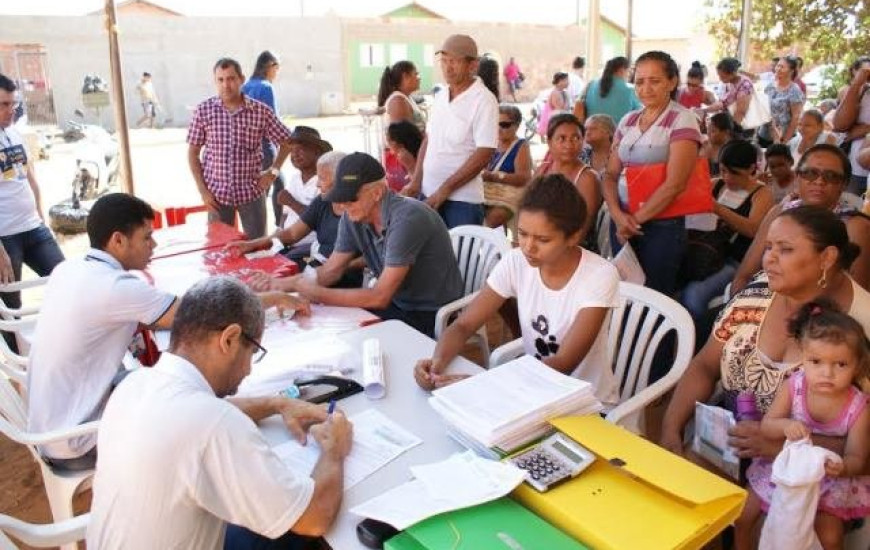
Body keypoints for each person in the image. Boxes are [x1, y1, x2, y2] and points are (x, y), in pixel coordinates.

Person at [26, 193, 307, 471]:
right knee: (190, 402)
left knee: (165, 383)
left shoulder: (71, 268)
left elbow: (164, 314)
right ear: (118, 240)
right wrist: (276, 297)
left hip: (52, 422)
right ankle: (272, 408)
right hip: (77, 439)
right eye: (146, 237)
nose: (154, 244)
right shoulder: (114, 287)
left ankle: (266, 406)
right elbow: (202, 312)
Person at [86, 276, 351, 550]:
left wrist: (277, 404)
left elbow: (198, 414)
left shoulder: (136, 384)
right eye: (253, 351)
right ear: (229, 339)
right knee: (304, 534)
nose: (249, 370)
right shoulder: (214, 424)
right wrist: (334, 449)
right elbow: (314, 518)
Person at [661, 206, 870, 464]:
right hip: (727, 450)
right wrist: (671, 426)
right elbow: (705, 366)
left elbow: (861, 450)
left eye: (785, 249)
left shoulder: (863, 324)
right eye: (769, 247)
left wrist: (786, 446)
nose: (769, 258)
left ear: (827, 258)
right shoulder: (758, 292)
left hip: (810, 482)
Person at [414, 174, 621, 407]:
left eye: (543, 239)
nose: (528, 247)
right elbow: (464, 325)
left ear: (573, 237)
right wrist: (436, 364)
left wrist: (483, 385)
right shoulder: (516, 261)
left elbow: (564, 362)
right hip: (530, 393)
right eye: (522, 234)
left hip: (587, 403)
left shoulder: (599, 275)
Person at [265, 152, 464, 338]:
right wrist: (283, 286)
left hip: (431, 312)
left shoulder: (407, 219)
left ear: (377, 192)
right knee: (322, 330)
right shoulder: (353, 215)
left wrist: (317, 293)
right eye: (340, 197)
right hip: (397, 303)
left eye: (350, 198)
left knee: (348, 338)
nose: (342, 205)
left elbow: (379, 297)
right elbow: (331, 271)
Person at [735, 300, 870, 550]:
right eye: (816, 362)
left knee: (830, 537)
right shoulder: (794, 386)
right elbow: (768, 426)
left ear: (857, 364)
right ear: (803, 356)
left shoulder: (859, 407)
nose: (827, 373)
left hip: (829, 482)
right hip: (783, 469)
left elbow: (858, 457)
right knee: (744, 516)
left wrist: (841, 467)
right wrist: (785, 425)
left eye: (840, 364)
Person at [602, 50, 702, 297]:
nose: (645, 88)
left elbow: (675, 185)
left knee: (655, 299)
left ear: (672, 82)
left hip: (663, 226)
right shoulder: (627, 120)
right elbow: (610, 174)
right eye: (639, 81)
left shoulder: (682, 119)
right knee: (625, 293)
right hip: (623, 222)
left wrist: (633, 221)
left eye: (654, 81)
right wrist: (617, 215)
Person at [731, 144, 870, 293]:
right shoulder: (780, 212)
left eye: (831, 176)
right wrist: (735, 306)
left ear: (843, 184)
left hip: (820, 311)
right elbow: (744, 275)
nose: (819, 181)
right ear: (798, 178)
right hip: (761, 299)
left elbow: (855, 296)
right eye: (810, 173)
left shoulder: (854, 226)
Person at [188, 57, 293, 239]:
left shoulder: (260, 112)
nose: (226, 85)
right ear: (215, 82)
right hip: (216, 196)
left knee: (258, 248)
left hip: (251, 194)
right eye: (220, 80)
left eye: (231, 79)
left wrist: (273, 171)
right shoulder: (204, 111)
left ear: (241, 79)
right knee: (219, 251)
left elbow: (288, 141)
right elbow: (193, 153)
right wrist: (203, 191)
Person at [404, 34, 498, 229]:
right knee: (429, 257)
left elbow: (484, 153)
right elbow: (429, 141)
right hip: (429, 194)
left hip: (462, 202)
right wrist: (416, 182)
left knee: (460, 258)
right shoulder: (440, 95)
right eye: (444, 61)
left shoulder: (483, 100)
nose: (448, 67)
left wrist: (445, 190)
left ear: (473, 65)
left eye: (454, 61)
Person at [226, 152, 359, 285]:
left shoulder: (358, 211)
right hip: (321, 266)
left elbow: (366, 258)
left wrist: (335, 267)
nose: (318, 184)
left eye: (322, 179)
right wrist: (250, 245)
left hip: (344, 277)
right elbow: (291, 234)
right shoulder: (323, 202)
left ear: (340, 179)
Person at [679, 140, 774, 326]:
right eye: (723, 170)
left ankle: (695, 339)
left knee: (694, 295)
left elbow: (754, 230)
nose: (727, 177)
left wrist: (718, 209)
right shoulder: (715, 184)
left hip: (734, 261)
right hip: (701, 252)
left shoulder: (762, 194)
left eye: (734, 173)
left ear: (751, 169)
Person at [0, 74, 65, 342]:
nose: (10, 110)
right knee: (10, 312)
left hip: (34, 229)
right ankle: (19, 380)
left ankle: (63, 349)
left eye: (13, 104)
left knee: (67, 284)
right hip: (4, 238)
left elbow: (31, 177)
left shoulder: (15, 133)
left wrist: (41, 216)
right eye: (3, 104)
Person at [535, 113, 600, 248]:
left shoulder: (587, 178)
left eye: (576, 138)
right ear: (549, 142)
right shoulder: (542, 170)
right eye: (562, 138)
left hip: (572, 248)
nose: (569, 145)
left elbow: (582, 229)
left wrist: (554, 251)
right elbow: (527, 209)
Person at [242, 51, 286, 227]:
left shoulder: (245, 86)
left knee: (273, 183)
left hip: (248, 146)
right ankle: (276, 227)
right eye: (277, 68)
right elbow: (272, 120)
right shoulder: (266, 87)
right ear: (271, 66)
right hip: (265, 146)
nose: (277, 73)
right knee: (273, 183)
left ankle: (267, 227)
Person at [276, 126, 333, 261]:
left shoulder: (324, 180)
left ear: (317, 152)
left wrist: (291, 201)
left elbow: (319, 220)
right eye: (292, 151)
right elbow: (285, 214)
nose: (295, 155)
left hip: (311, 245)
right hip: (289, 241)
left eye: (300, 150)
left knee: (284, 265)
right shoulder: (294, 178)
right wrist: (279, 233)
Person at [481, 104, 532, 230]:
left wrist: (495, 177)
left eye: (504, 125)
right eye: (495, 124)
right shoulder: (492, 143)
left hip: (508, 196)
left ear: (517, 125)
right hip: (488, 193)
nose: (498, 129)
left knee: (491, 221)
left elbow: (524, 178)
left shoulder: (521, 146)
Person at [378, 60, 426, 194]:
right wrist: (412, 166)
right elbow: (403, 137)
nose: (419, 78)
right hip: (405, 160)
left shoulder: (406, 98)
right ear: (405, 76)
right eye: (415, 74)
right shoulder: (398, 100)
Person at [833, 57, 870, 196]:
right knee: (851, 208)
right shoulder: (853, 91)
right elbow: (840, 125)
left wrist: (863, 129)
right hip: (854, 166)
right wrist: (857, 85)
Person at [573, 56, 640, 126]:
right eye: (629, 71)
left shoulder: (591, 85)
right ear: (622, 70)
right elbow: (640, 114)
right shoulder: (631, 90)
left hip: (590, 132)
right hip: (619, 135)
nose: (630, 74)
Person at [758, 56, 805, 147]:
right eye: (778, 66)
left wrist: (784, 142)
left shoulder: (794, 90)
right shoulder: (770, 86)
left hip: (783, 137)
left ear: (791, 71)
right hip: (765, 134)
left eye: (782, 67)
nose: (778, 69)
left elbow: (796, 118)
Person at [706, 57, 754, 128]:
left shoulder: (745, 85)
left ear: (732, 73)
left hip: (740, 126)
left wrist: (732, 131)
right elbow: (724, 102)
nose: (720, 79)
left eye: (722, 76)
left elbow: (740, 113)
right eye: (719, 76)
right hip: (731, 121)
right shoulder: (731, 82)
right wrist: (704, 110)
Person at [385, 120, 424, 192]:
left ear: (401, 145)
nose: (387, 144)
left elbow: (421, 190)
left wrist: (411, 167)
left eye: (390, 141)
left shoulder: (423, 159)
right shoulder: (388, 157)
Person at [702, 112, 739, 177]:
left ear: (726, 132)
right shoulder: (704, 145)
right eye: (708, 129)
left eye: (713, 131)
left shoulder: (733, 151)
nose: (708, 133)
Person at [536, 72, 571, 141]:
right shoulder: (555, 93)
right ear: (560, 81)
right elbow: (560, 109)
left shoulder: (563, 92)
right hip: (556, 122)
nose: (568, 82)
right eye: (566, 80)